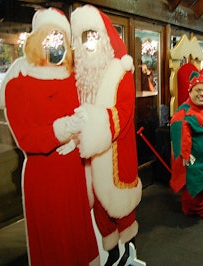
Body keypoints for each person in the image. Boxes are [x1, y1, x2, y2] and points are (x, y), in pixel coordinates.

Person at [0, 8, 99, 265]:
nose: (55, 45)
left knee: (77, 245)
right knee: (55, 247)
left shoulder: (71, 78)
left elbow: (85, 118)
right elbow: (26, 138)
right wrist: (62, 129)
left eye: (60, 38)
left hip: (72, 174)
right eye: (49, 37)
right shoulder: (18, 81)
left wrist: (77, 138)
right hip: (44, 179)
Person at [70, 5, 143, 265]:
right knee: (100, 212)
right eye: (83, 39)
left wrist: (93, 126)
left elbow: (123, 114)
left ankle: (130, 250)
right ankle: (112, 252)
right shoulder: (79, 75)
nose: (89, 45)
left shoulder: (120, 71)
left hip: (115, 153)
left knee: (121, 208)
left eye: (93, 37)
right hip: (87, 158)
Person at [170, 64, 203, 218]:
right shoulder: (183, 113)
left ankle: (201, 208)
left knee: (201, 186)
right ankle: (195, 211)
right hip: (193, 162)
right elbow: (179, 139)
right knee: (194, 188)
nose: (202, 94)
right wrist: (186, 158)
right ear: (190, 91)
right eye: (198, 90)